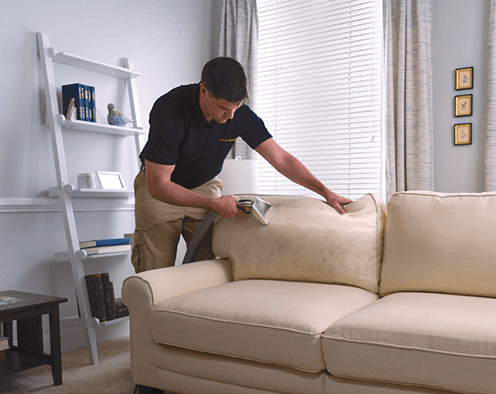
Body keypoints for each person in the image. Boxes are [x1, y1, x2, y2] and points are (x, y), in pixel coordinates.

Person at [132, 56, 352, 273]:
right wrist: (213, 204)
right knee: (153, 272)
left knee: (206, 270)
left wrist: (326, 192)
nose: (229, 116)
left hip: (204, 185)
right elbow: (159, 184)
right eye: (223, 108)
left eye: (235, 109)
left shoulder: (238, 114)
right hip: (161, 190)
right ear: (203, 91)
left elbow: (282, 159)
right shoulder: (169, 109)